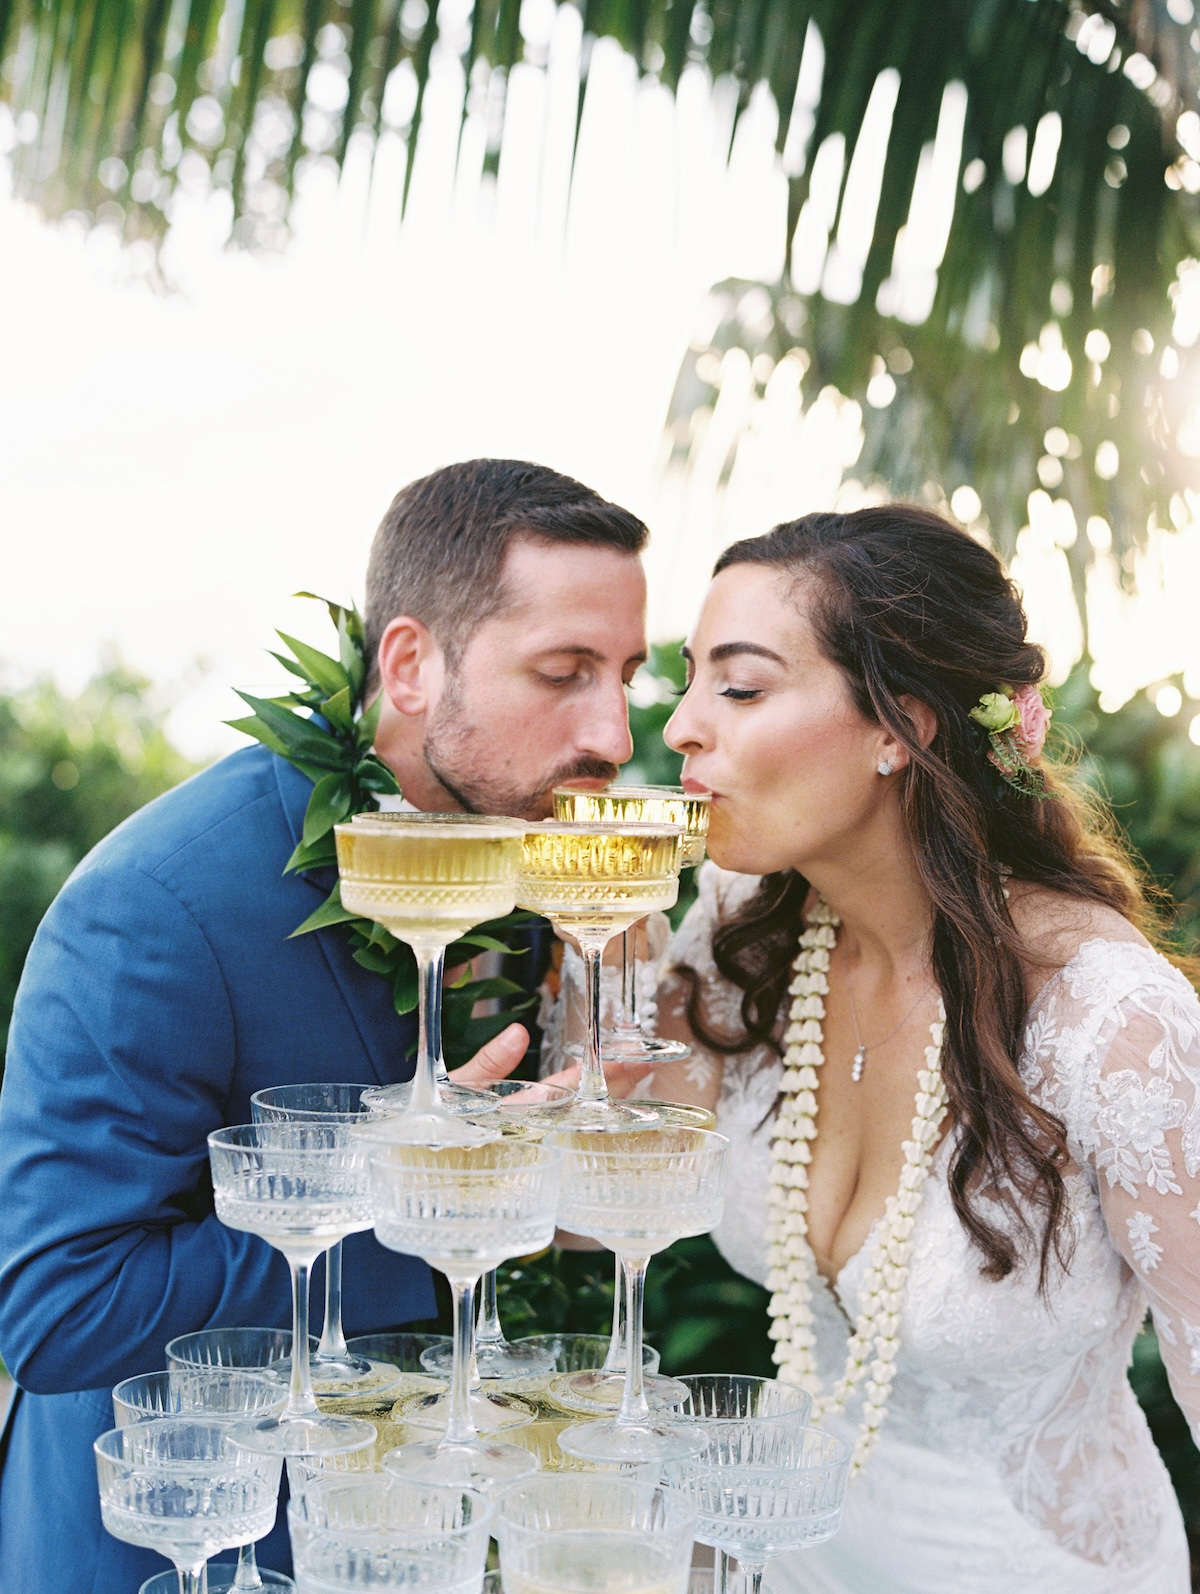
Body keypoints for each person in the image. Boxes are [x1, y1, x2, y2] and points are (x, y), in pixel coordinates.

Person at [0, 458, 651, 1591]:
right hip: (190, 1555)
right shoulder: (156, 909)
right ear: (409, 665)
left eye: (628, 676)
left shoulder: (542, 862)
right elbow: (60, 1310)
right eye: (564, 672)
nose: (612, 731)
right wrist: (436, 1206)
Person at [647, 505, 1200, 1593]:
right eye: (690, 677)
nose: (679, 727)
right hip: (792, 1558)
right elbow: (602, 1214)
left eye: (741, 686)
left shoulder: (1107, 1022)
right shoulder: (741, 925)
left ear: (898, 726)